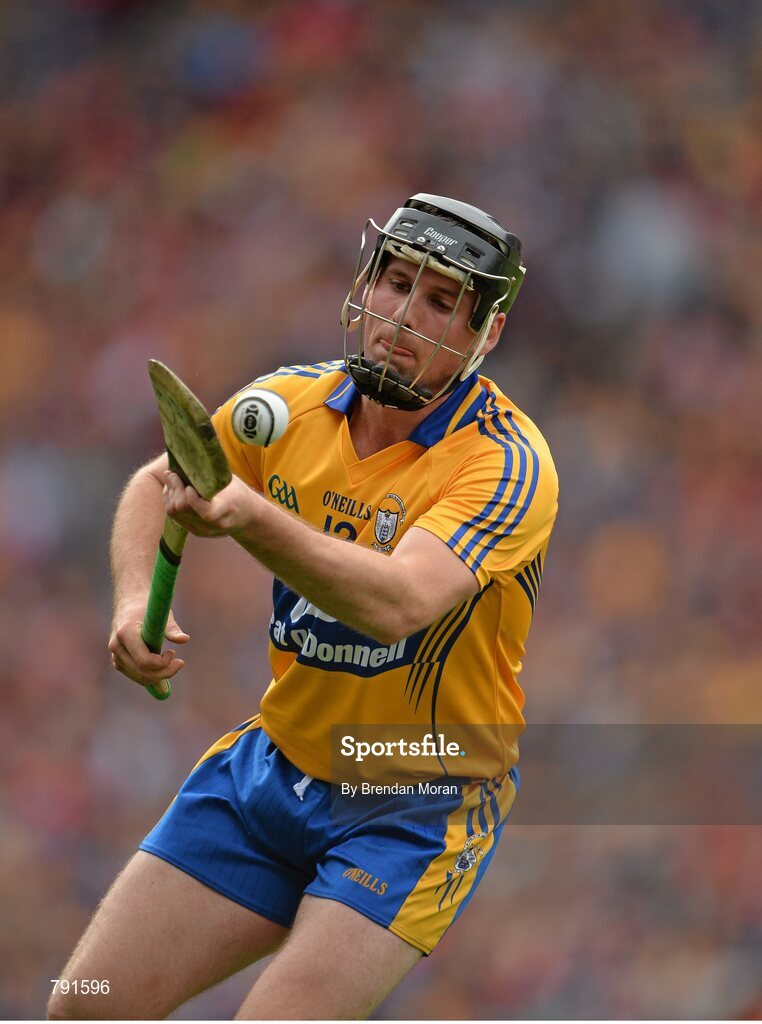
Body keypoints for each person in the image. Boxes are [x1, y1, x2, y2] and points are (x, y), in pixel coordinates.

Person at [48, 194, 558, 1020]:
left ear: (485, 335)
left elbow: (400, 603)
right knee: (84, 1008)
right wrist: (135, 596)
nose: (404, 317)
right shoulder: (286, 407)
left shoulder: (505, 463)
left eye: (440, 303)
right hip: (269, 775)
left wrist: (251, 516)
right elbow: (160, 480)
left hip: (413, 808)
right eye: (397, 283)